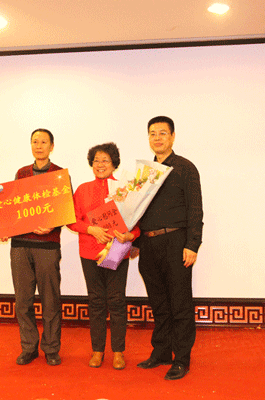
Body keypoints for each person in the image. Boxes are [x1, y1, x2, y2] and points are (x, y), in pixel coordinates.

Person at [135, 116, 203, 380]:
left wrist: (192, 244)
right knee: (159, 303)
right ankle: (161, 352)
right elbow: (137, 210)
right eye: (152, 133)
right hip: (148, 244)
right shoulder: (145, 173)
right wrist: (135, 242)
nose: (157, 138)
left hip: (176, 243)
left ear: (173, 136)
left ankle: (181, 359)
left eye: (163, 133)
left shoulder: (186, 168)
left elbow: (195, 209)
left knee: (180, 303)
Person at [68, 142, 140, 370]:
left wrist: (130, 236)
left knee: (117, 301)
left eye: (105, 160)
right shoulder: (82, 189)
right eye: (97, 160)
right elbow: (71, 219)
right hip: (89, 252)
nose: (101, 164)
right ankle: (97, 350)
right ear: (91, 164)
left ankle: (118, 351)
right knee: (96, 301)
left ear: (114, 164)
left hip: (117, 252)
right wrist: (91, 229)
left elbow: (138, 223)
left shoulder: (126, 189)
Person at [0, 128, 64, 366]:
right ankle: (29, 347)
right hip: (21, 246)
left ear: (51, 146)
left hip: (47, 246)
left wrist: (53, 224)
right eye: (35, 141)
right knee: (23, 300)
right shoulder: (22, 173)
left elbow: (65, 208)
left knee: (50, 301)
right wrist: (4, 228)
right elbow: (13, 206)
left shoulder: (59, 175)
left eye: (44, 142)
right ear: (31, 145)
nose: (39, 146)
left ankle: (51, 349)